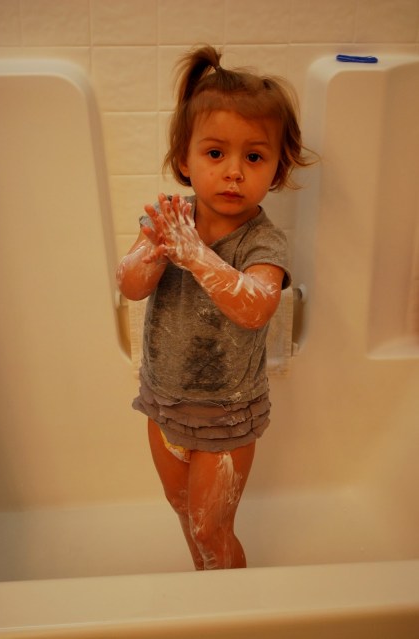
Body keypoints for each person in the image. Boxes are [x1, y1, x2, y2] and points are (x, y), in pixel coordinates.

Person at [116, 45, 310, 571]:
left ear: (276, 168)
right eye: (216, 153)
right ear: (185, 159)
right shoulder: (169, 220)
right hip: (164, 402)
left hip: (226, 413)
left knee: (211, 526)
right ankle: (208, 590)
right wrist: (159, 249)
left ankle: (231, 603)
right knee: (184, 511)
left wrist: (196, 256)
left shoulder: (263, 242)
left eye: (254, 157)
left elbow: (256, 307)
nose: (233, 172)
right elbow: (130, 284)